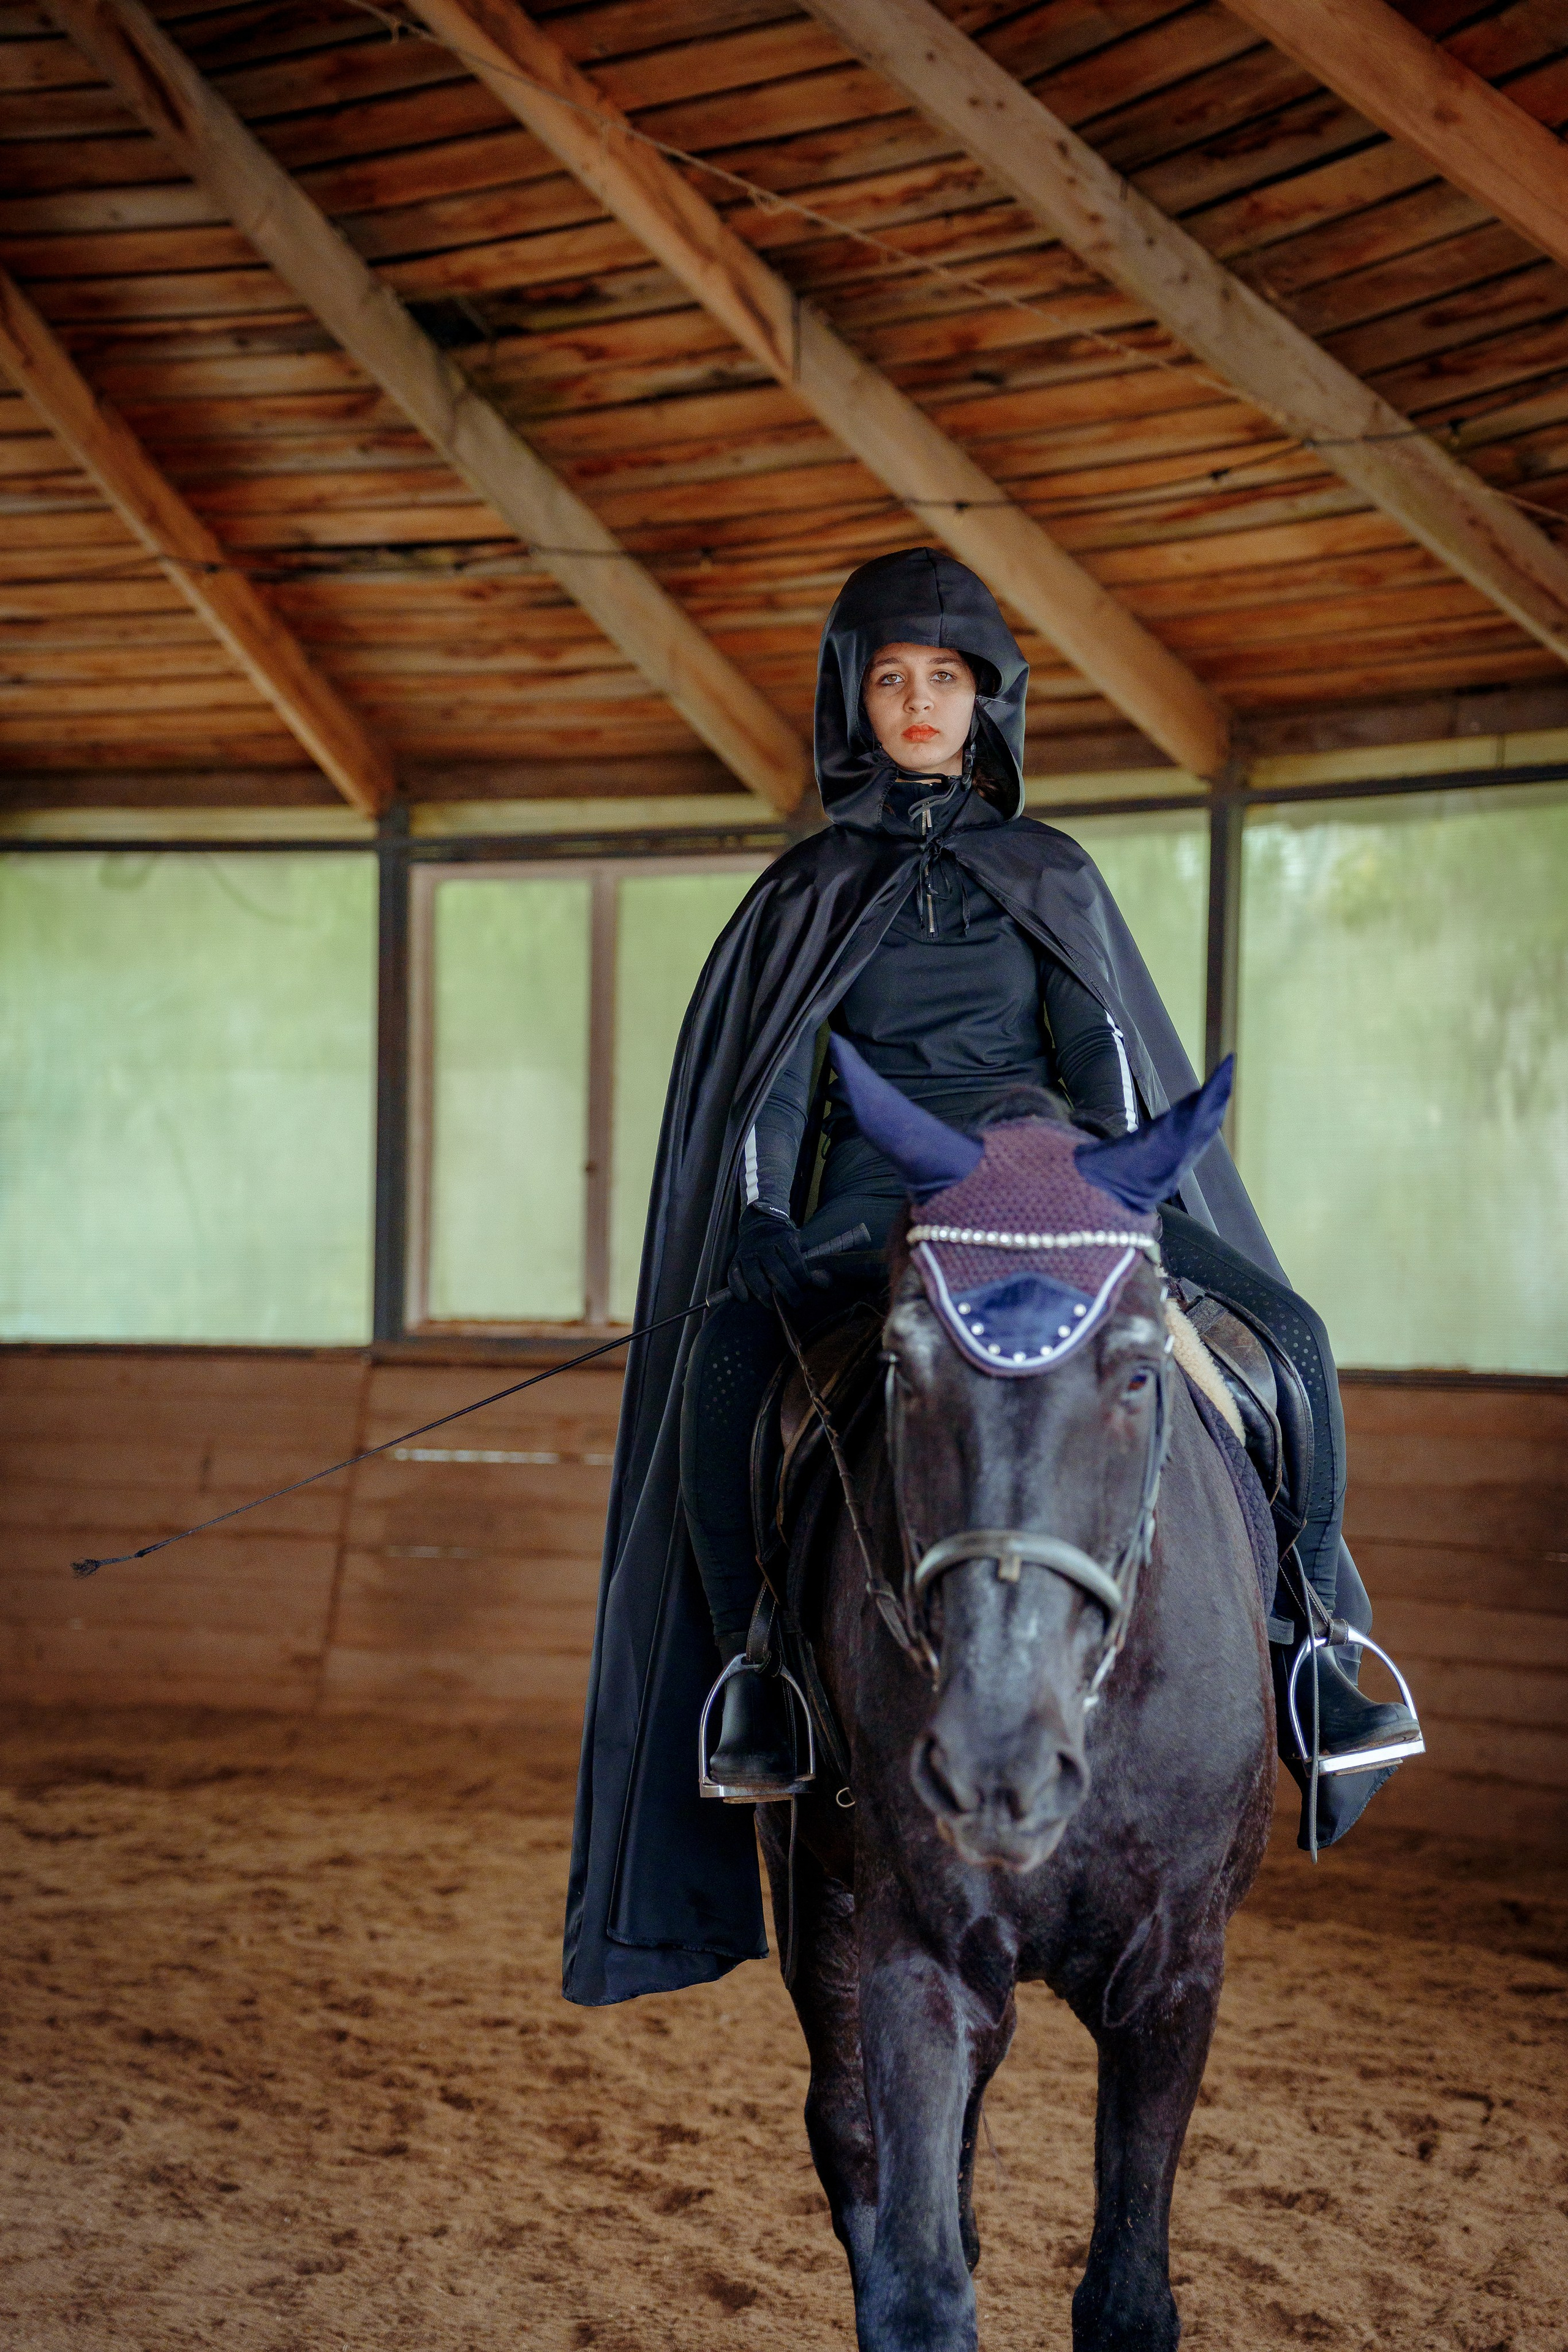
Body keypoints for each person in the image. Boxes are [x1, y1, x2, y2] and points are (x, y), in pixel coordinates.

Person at [563, 549, 1417, 2010]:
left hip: (1050, 1186)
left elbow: (1106, 1071)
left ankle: (1312, 1650)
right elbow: (768, 1102)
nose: (914, 704)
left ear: (984, 703)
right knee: (721, 1377)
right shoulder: (804, 895)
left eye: (940, 681)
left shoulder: (1051, 876)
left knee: (1289, 1338)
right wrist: (764, 1222)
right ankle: (761, 1674)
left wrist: (1090, 1185)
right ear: (855, 701)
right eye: (889, 681)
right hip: (871, 1197)